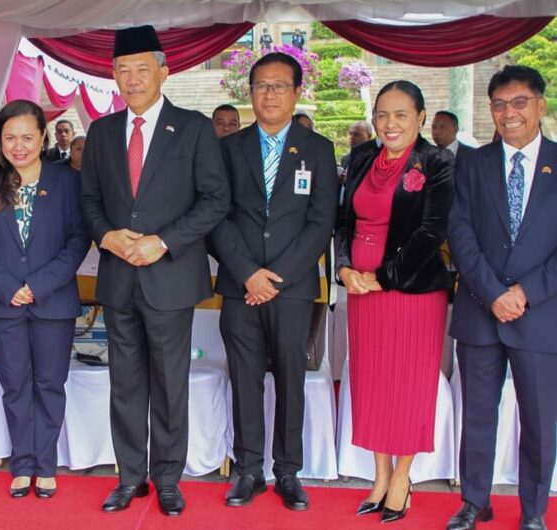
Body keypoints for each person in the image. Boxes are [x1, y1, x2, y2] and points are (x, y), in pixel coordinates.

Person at [80, 25, 229, 517]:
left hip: (169, 275)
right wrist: (107, 236)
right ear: (114, 76)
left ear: (164, 72)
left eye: (143, 69)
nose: (133, 79)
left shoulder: (192, 127)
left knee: (169, 383)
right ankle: (130, 478)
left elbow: (215, 200)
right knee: (124, 383)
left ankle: (168, 478)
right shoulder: (101, 133)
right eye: (123, 70)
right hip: (120, 279)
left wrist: (163, 241)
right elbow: (90, 201)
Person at [211, 52, 338, 511]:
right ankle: (248, 469)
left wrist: (276, 278)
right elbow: (216, 216)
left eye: (279, 86)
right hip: (239, 285)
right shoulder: (225, 149)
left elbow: (321, 222)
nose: (269, 94)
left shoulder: (319, 149)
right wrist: (248, 273)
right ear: (250, 93)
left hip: (292, 287)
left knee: (290, 379)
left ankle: (287, 471)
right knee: (244, 379)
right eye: (261, 86)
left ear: (297, 92)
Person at [336, 80, 454, 523]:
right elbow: (342, 219)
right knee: (372, 380)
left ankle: (403, 478)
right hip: (362, 289)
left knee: (408, 383)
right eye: (383, 114)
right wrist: (346, 268)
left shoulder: (438, 162)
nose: (390, 123)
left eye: (401, 114)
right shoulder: (363, 157)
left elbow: (432, 232)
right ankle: (380, 475)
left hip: (411, 290)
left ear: (421, 117)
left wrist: (383, 277)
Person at [446, 65, 557, 530]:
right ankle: (475, 501)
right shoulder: (472, 163)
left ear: (540, 106)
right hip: (480, 311)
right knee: (477, 417)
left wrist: (524, 293)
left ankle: (533, 510)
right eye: (499, 104)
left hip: (540, 315)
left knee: (538, 421)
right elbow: (460, 232)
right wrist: (493, 293)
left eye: (519, 103)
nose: (508, 113)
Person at [0, 99, 90, 499]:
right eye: (10, 138)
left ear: (43, 137)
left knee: (50, 383)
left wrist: (38, 285)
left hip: (52, 301)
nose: (19, 146)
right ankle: (22, 464)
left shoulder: (68, 181)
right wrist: (8, 286)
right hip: (4, 302)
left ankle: (46, 463)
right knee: (15, 384)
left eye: (27, 137)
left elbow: (77, 241)